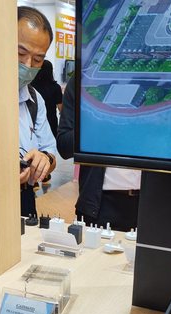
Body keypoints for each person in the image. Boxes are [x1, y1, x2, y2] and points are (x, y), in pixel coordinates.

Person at [57, 76, 140, 232]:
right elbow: (64, 146)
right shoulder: (81, 82)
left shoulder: (162, 79)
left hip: (152, 204)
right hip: (99, 205)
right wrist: (101, 119)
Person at [17, 6, 58, 217]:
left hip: (25, 198)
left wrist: (44, 160)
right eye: (20, 53)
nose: (27, 65)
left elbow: (51, 153)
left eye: (38, 59)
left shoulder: (34, 99)